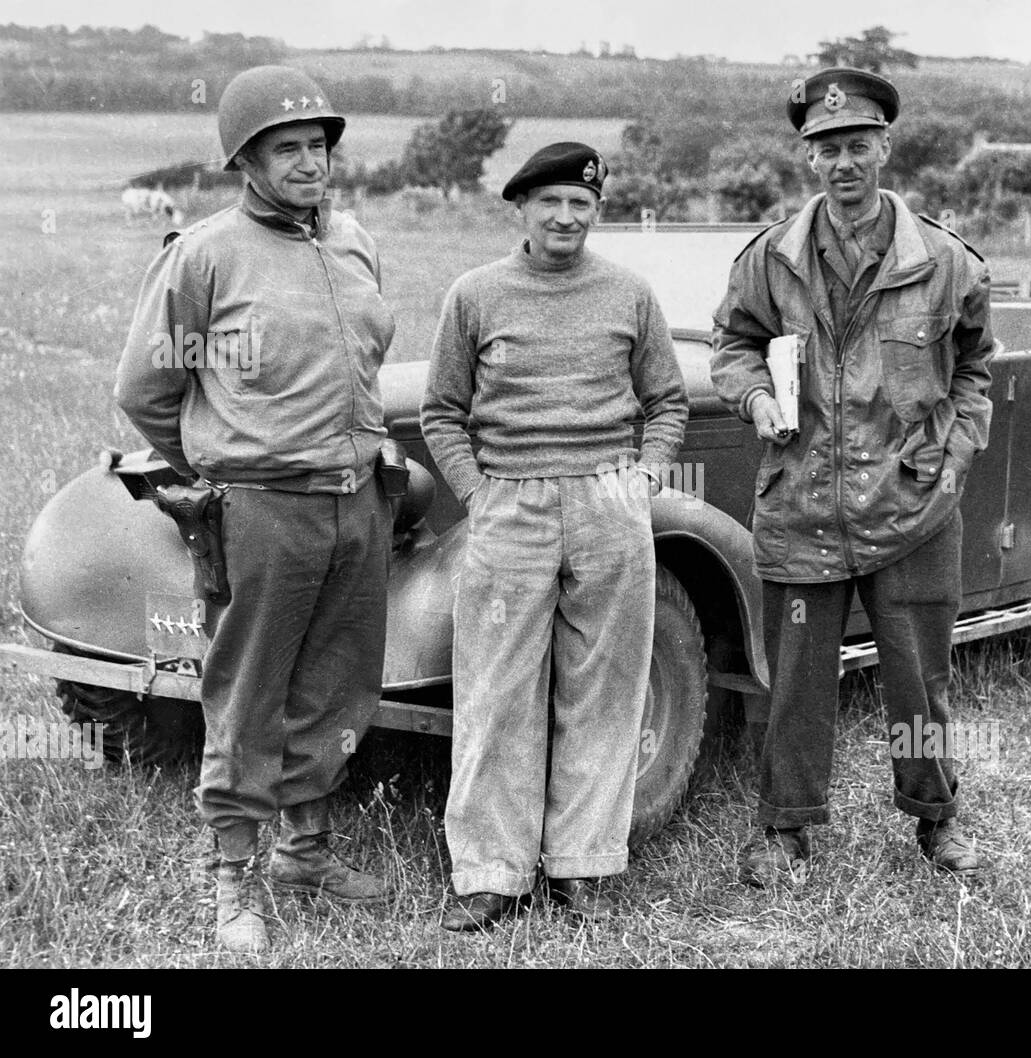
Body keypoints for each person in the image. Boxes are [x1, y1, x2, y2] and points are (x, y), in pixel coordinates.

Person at [115, 65, 396, 953]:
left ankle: (305, 853)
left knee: (338, 683)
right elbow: (147, 389)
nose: (311, 163)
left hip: (357, 500)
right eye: (288, 150)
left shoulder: (351, 241)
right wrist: (215, 464)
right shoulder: (204, 255)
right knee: (247, 692)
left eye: (318, 146)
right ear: (246, 161)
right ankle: (231, 875)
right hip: (263, 510)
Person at [710, 67, 997, 885]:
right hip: (803, 500)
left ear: (885, 149)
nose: (844, 163)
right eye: (827, 148)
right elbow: (732, 347)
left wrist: (959, 448)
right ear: (808, 158)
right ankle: (786, 829)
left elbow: (975, 365)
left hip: (912, 504)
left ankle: (937, 820)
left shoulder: (945, 261)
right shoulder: (770, 260)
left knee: (921, 682)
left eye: (858, 145)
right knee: (797, 681)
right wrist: (757, 396)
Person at [421, 142, 688, 931]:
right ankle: (492, 873)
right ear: (523, 210)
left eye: (582, 204)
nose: (567, 217)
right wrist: (478, 491)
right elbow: (441, 410)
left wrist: (640, 482)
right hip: (510, 507)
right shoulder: (475, 295)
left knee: (603, 690)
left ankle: (582, 865)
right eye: (552, 204)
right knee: (496, 689)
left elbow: (667, 401)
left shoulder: (629, 293)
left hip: (610, 506)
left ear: (595, 211)